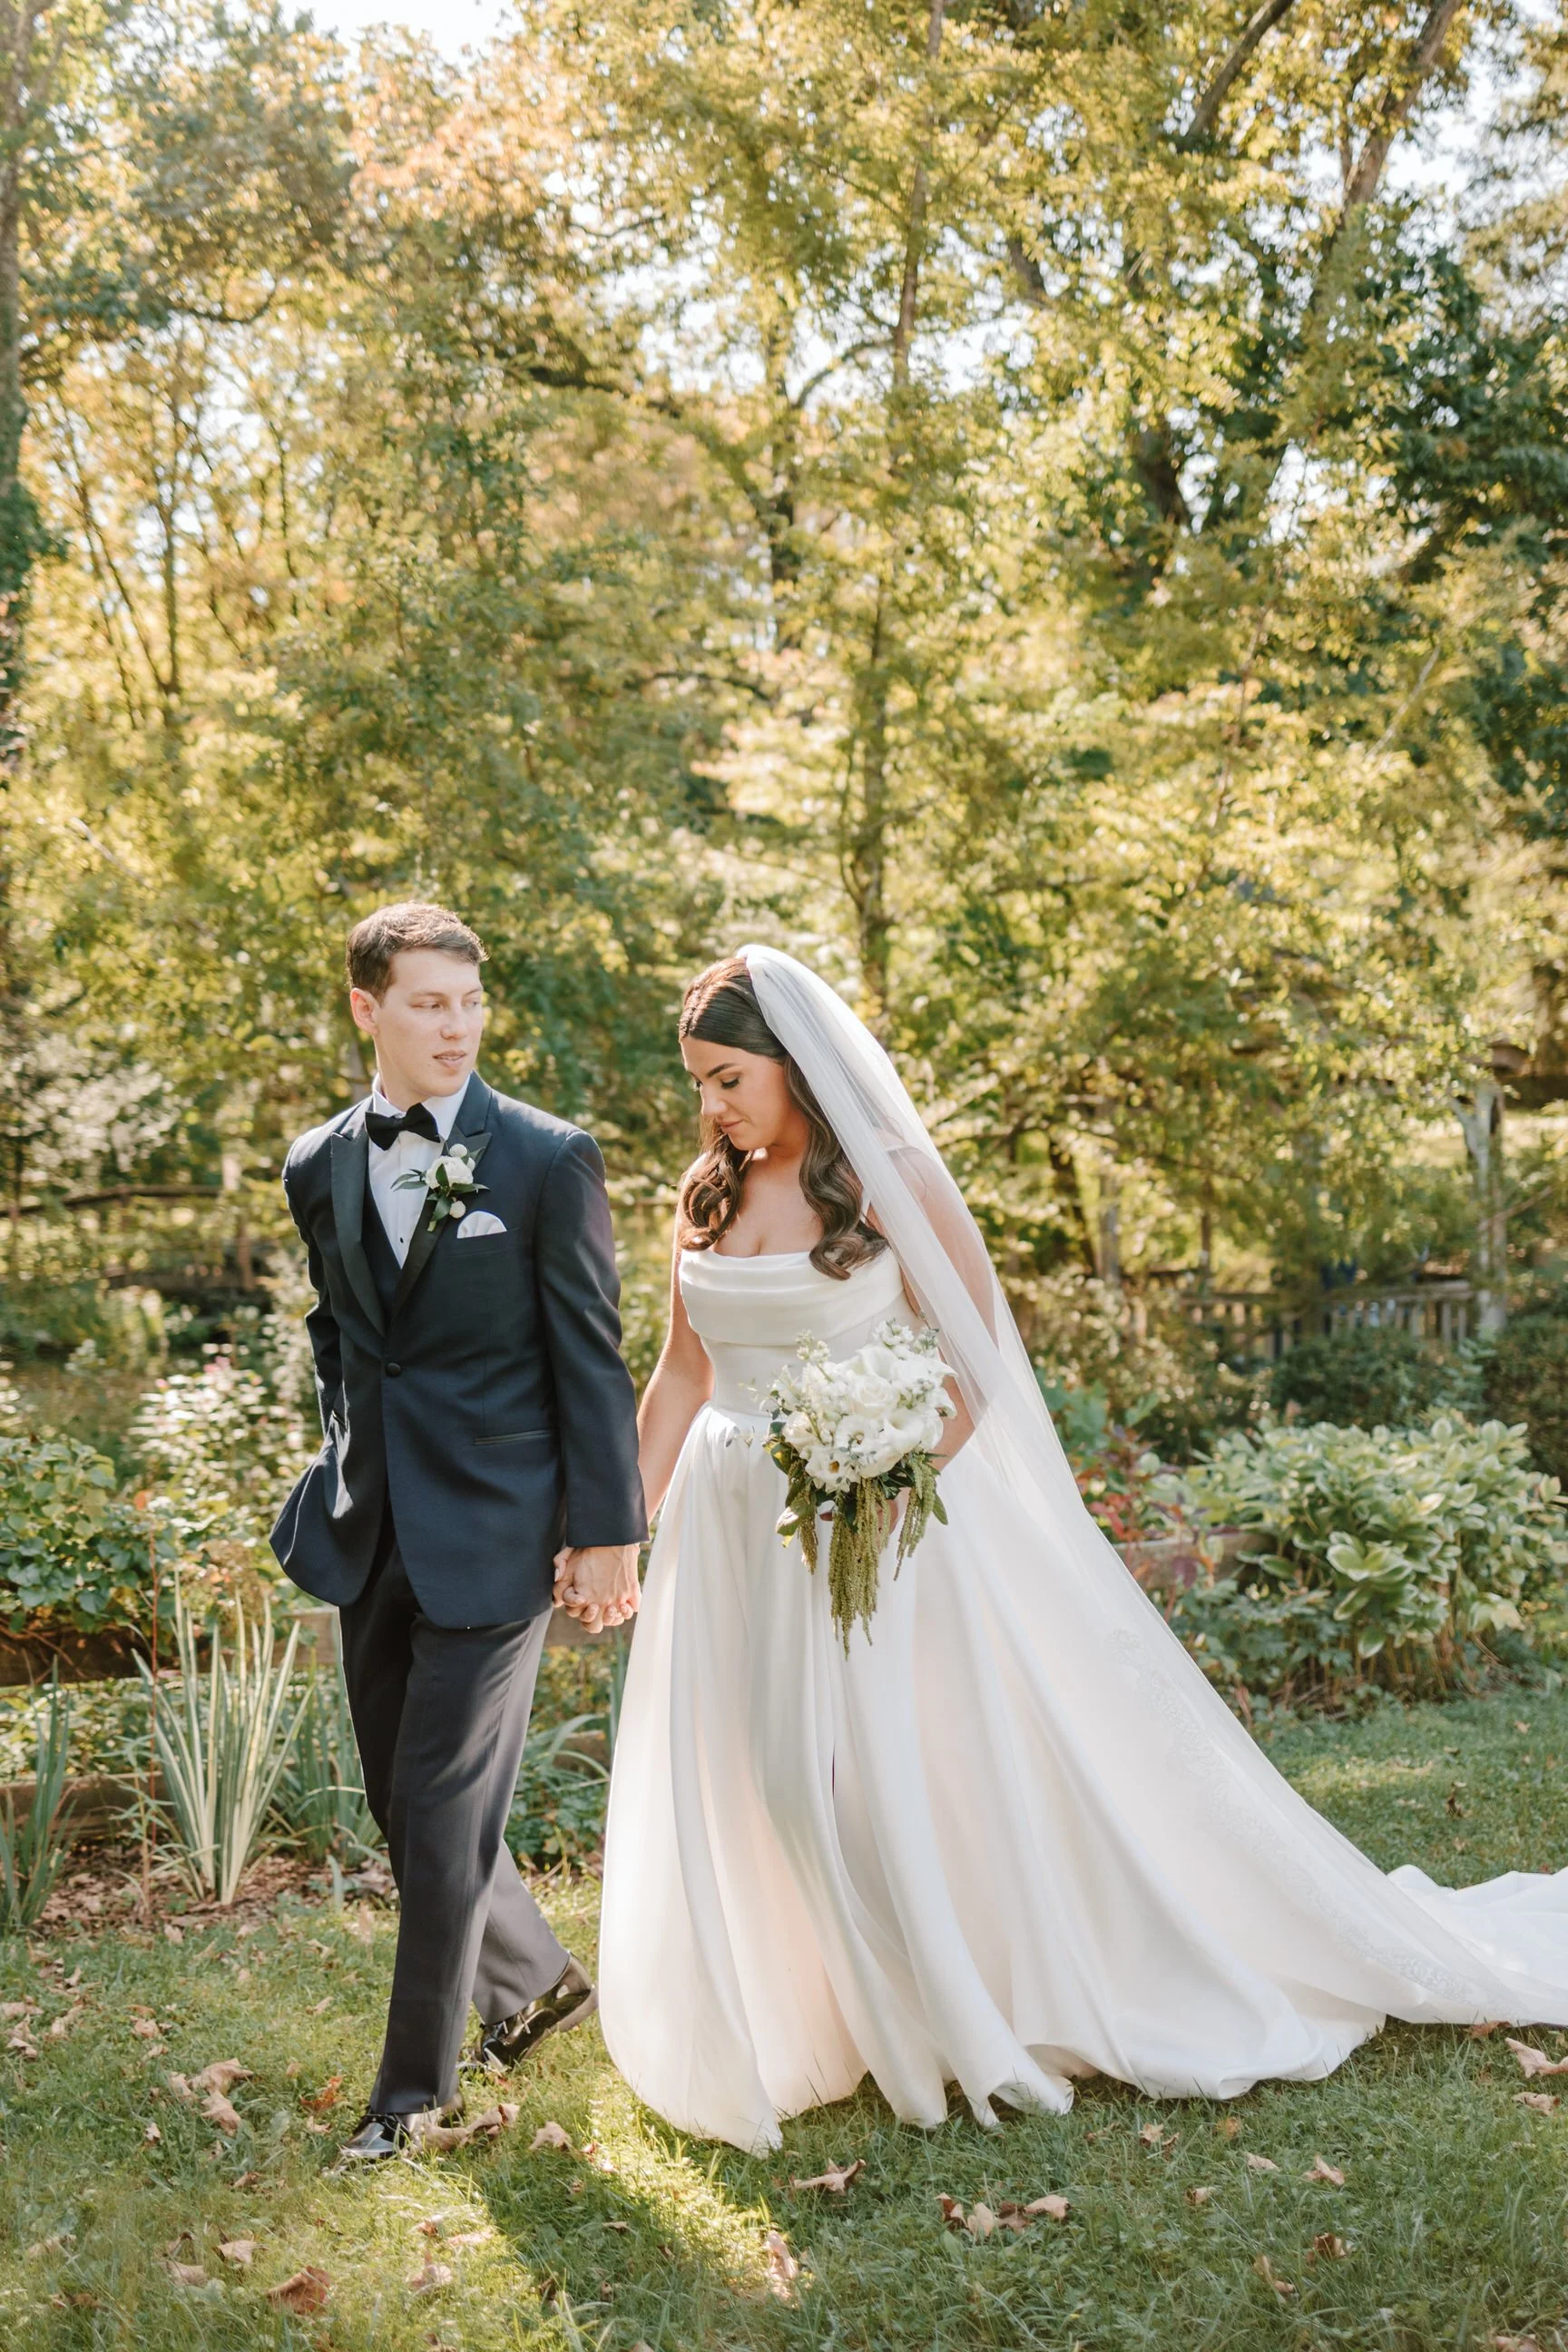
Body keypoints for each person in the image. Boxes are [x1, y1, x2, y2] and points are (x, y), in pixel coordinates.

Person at [598, 946, 1568, 2155]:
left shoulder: (890, 1183)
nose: (712, 1109)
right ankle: (826, 2023)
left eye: (730, 1079)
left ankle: (943, 2014)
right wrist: (613, 1523)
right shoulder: (705, 1196)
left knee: (856, 1782)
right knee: (753, 1781)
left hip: (871, 1525)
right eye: (697, 1083)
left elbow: (974, 1372)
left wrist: (883, 1481)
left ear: (798, 1066)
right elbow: (684, 1374)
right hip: (730, 1530)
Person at [271, 900, 644, 2161]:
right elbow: (338, 1330)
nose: (457, 1026)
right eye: (429, 1003)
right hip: (367, 1522)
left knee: (438, 1808)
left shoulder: (545, 1157)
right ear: (368, 1008)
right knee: (401, 1801)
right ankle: (533, 1981)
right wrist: (340, 1451)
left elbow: (590, 1357)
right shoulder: (317, 1161)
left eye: (471, 1002)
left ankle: (412, 2098)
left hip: (498, 1534)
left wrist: (607, 1529)